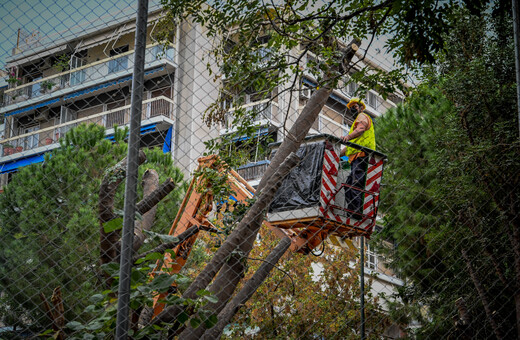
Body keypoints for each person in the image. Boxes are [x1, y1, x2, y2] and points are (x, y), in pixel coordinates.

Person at [340, 98, 376, 219]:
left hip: (363, 156)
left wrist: (347, 137)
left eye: (355, 106)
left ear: (361, 108)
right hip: (356, 158)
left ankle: (355, 214)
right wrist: (337, 154)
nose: (352, 109)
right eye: (351, 107)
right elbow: (350, 145)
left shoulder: (362, 116)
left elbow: (360, 130)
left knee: (355, 185)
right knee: (348, 185)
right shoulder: (354, 126)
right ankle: (352, 213)